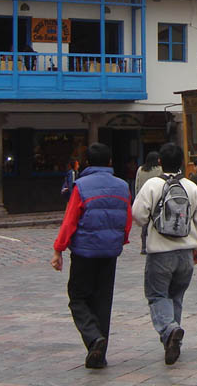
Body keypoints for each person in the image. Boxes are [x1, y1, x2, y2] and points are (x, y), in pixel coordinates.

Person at [50, 142, 132, 370]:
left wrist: (59, 249)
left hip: (85, 251)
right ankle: (99, 352)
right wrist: (120, 240)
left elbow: (70, 220)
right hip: (110, 252)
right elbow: (127, 219)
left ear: (87, 162)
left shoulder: (81, 186)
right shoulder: (122, 186)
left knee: (78, 298)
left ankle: (93, 338)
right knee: (102, 302)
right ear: (109, 163)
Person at [132, 142, 197, 365]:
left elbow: (137, 214)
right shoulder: (191, 186)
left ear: (160, 163)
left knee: (157, 296)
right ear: (183, 163)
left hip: (160, 253)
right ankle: (173, 341)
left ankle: (169, 329)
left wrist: (149, 223)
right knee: (176, 296)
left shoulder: (153, 185)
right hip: (186, 254)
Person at [134, 151, 162, 254]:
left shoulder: (140, 169)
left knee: (144, 224)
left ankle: (144, 246)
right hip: (157, 199)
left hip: (144, 198)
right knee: (156, 222)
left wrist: (137, 197)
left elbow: (137, 184)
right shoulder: (160, 170)